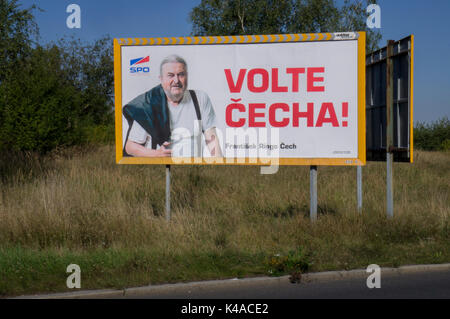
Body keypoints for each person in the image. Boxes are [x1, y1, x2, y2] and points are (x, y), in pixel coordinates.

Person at [123, 54, 222, 158]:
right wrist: (157, 154)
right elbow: (130, 147)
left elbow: (211, 137)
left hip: (193, 168)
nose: (176, 80)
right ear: (161, 79)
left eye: (181, 74)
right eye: (170, 75)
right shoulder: (148, 105)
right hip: (159, 167)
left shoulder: (200, 98)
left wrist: (219, 163)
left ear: (187, 76)